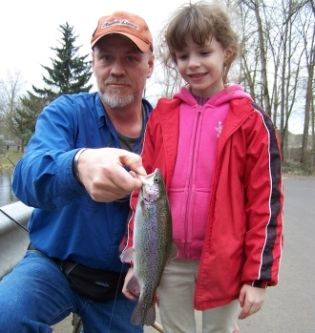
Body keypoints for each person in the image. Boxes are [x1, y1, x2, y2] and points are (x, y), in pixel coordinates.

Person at [122, 2, 284, 333]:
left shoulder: (252, 121)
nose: (193, 64)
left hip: (227, 261)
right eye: (183, 56)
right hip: (169, 262)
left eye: (204, 52)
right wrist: (138, 261)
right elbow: (142, 195)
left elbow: (266, 205)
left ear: (227, 52)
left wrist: (257, 277)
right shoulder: (163, 118)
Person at [0, 11, 154, 333]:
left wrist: (217, 298)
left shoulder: (168, 130)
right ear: (93, 62)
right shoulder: (66, 113)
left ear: (150, 65)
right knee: (6, 315)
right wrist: (78, 164)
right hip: (52, 266)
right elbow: (26, 176)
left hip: (123, 287)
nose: (116, 69)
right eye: (106, 57)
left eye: (130, 58)